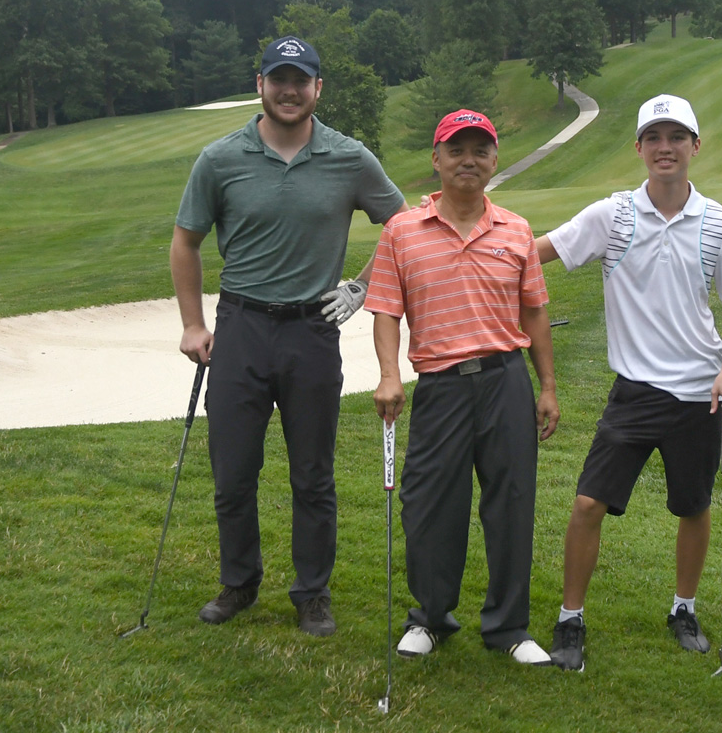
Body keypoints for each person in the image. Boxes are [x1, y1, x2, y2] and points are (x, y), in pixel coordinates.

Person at [169, 36, 407, 637]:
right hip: (241, 329)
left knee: (313, 475)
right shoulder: (220, 159)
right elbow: (186, 242)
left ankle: (312, 593)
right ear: (260, 85)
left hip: (312, 332)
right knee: (233, 472)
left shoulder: (348, 157)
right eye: (279, 79)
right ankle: (239, 582)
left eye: (301, 80)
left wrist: (362, 286)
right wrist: (193, 323)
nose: (289, 90)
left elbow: (403, 226)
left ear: (317, 88)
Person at [536, 94, 722, 671]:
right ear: (638, 147)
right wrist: (470, 232)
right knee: (588, 503)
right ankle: (570, 618)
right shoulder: (612, 215)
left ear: (695, 145)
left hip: (699, 392)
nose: (666, 148)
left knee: (693, 506)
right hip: (635, 390)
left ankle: (683, 609)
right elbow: (535, 253)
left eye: (677, 137)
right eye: (655, 138)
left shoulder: (720, 222)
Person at [365, 109, 559, 665]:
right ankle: (430, 617)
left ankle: (509, 627)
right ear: (437, 159)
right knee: (429, 504)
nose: (468, 160)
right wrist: (388, 375)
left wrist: (547, 386)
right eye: (456, 150)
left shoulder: (516, 230)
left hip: (505, 381)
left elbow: (534, 311)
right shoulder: (402, 231)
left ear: (495, 160)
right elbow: (386, 310)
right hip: (440, 386)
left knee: (511, 504)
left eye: (480, 150)